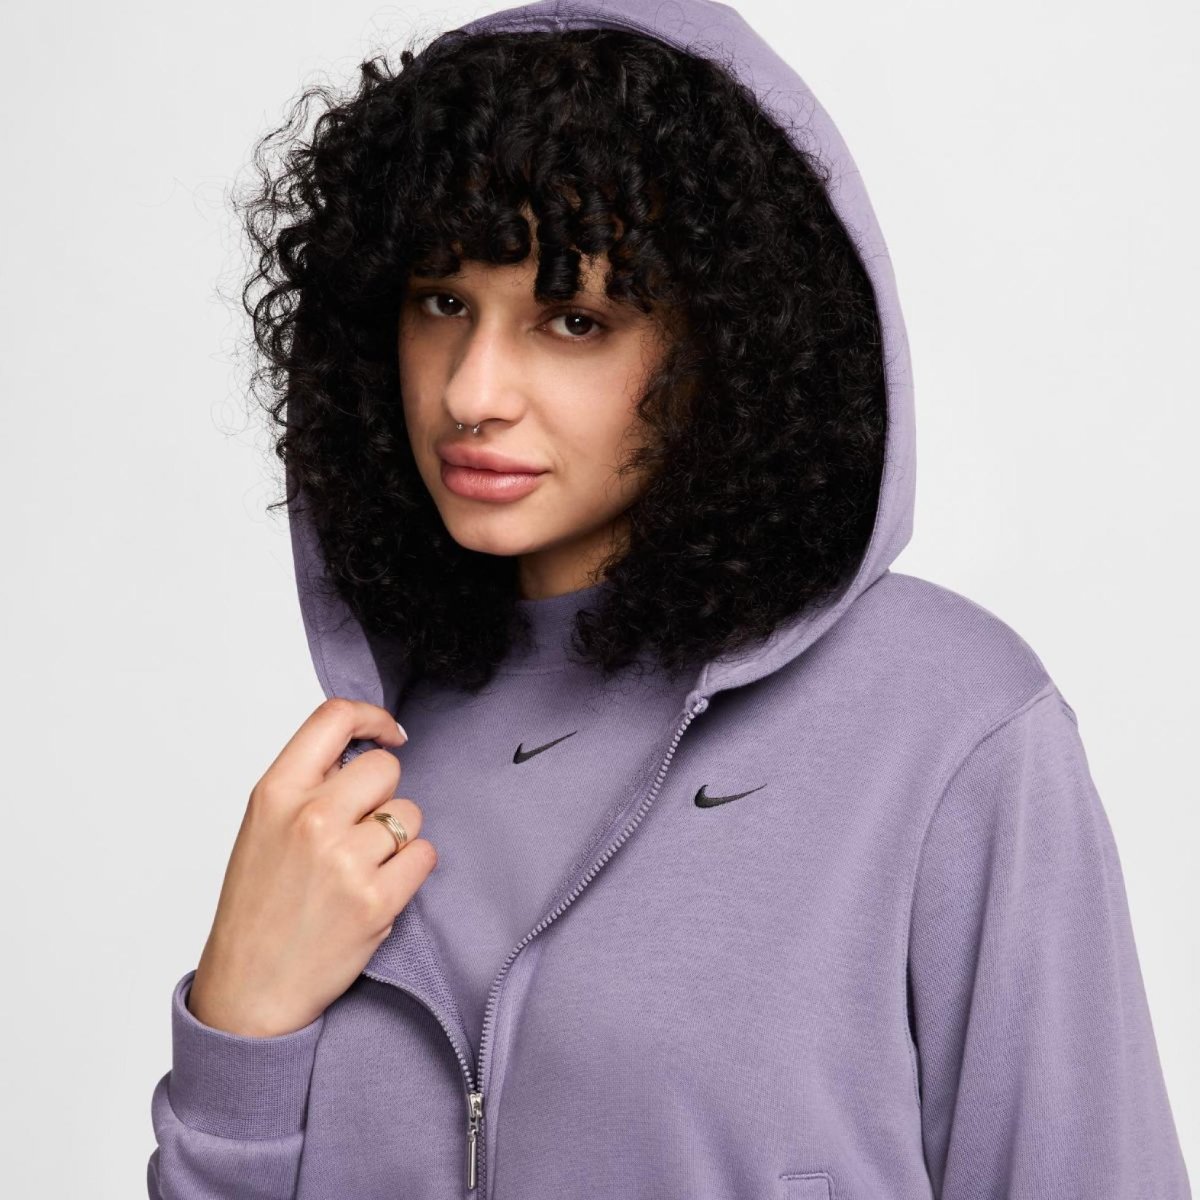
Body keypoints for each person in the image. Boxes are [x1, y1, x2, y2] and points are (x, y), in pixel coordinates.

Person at [146, 2, 1192, 1198]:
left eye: (573, 320)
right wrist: (238, 1021)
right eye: (441, 301)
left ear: (726, 345)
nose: (473, 392)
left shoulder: (946, 724)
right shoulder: (365, 777)